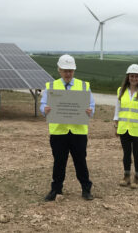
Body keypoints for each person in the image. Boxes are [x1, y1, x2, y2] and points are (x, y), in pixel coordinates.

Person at [40, 54, 95, 201]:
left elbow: (91, 105)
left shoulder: (84, 86)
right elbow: (43, 104)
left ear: (74, 71)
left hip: (78, 132)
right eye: (65, 70)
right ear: (59, 70)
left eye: (70, 70)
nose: (68, 73)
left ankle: (86, 189)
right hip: (58, 132)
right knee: (59, 162)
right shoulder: (51, 87)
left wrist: (90, 111)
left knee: (80, 162)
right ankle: (56, 190)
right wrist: (44, 110)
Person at [113, 64, 138, 189]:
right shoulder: (121, 91)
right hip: (124, 127)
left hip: (137, 129)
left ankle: (137, 178)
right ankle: (126, 176)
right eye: (131, 76)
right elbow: (118, 109)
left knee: (137, 154)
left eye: (136, 76)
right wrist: (116, 124)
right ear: (128, 77)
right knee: (126, 153)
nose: (134, 78)